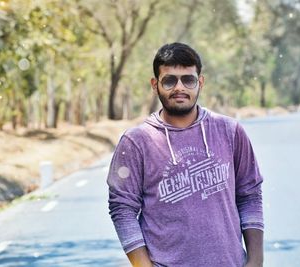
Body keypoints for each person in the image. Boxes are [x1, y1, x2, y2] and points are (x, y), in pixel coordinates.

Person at [107, 42, 264, 267]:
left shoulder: (230, 131)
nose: (179, 87)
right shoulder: (136, 141)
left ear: (200, 82)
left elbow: (250, 194)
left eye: (188, 79)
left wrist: (256, 260)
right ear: (155, 84)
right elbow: (122, 208)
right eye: (170, 80)